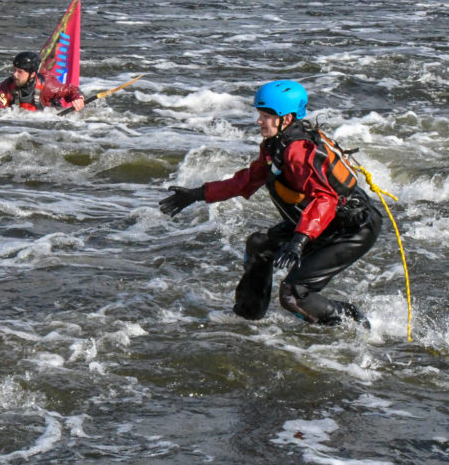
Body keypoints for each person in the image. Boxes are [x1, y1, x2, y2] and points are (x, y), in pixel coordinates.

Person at [158, 80, 382, 326]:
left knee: (293, 294)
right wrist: (198, 194)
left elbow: (325, 199)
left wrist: (299, 240)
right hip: (322, 223)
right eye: (260, 114)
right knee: (259, 245)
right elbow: (247, 180)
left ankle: (355, 325)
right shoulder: (276, 145)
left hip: (352, 228)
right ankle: (247, 316)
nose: (259, 121)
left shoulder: (298, 152)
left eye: (266, 116)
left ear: (286, 119)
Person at [0, 51, 87, 112]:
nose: (14, 74)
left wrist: (78, 98)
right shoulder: (6, 87)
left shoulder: (49, 86)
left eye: (20, 72)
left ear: (32, 74)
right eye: (14, 70)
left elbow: (73, 90)